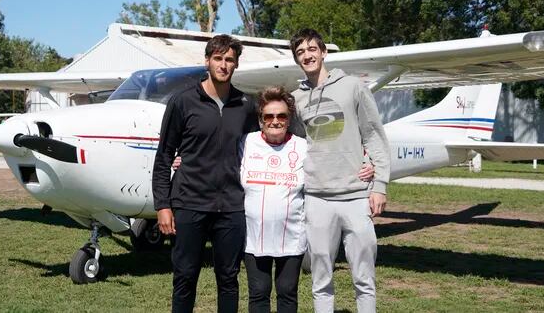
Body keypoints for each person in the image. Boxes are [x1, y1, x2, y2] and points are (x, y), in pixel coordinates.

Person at [152, 34, 259, 313]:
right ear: (207, 61)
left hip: (232, 206)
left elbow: (259, 150)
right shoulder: (183, 101)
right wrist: (163, 205)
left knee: (229, 279)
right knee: (185, 278)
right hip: (188, 202)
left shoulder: (246, 105)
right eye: (218, 58)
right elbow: (164, 156)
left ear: (235, 65)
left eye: (230, 60)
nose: (224, 65)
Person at [290, 28, 391, 313]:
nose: (307, 55)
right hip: (317, 198)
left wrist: (380, 183)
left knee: (364, 277)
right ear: (297, 60)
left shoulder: (352, 87)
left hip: (356, 195)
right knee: (321, 278)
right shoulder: (297, 98)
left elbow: (373, 135)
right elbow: (293, 144)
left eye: (312, 49)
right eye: (300, 52)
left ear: (323, 52)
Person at [240, 86, 307, 313]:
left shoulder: (302, 147)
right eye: (269, 116)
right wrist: (183, 161)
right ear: (261, 119)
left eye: (281, 116)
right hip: (254, 236)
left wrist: (365, 162)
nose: (275, 121)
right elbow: (215, 160)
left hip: (291, 236)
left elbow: (329, 169)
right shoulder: (246, 144)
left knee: (287, 292)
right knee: (259, 292)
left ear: (289, 119)